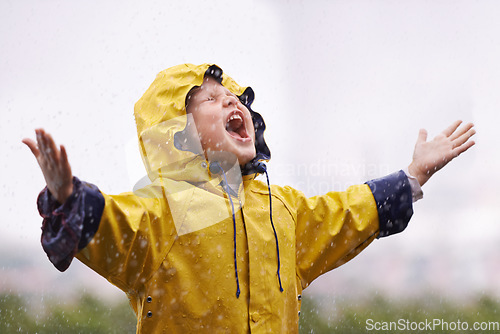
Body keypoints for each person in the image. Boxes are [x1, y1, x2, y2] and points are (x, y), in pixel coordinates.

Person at [23, 63, 476, 333]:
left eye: (234, 97)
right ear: (175, 135)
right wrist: (66, 196)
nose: (232, 103)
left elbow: (346, 213)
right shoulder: (160, 214)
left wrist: (413, 175)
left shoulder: (282, 209)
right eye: (211, 100)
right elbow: (109, 223)